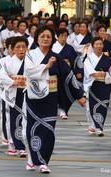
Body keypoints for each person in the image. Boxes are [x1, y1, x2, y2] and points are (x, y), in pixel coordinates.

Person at [24, 26, 86, 173]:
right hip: (34, 97)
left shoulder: (56, 57)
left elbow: (68, 76)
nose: (45, 39)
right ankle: (32, 159)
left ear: (52, 39)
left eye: (48, 37)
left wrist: (79, 95)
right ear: (37, 38)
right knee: (32, 127)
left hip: (51, 98)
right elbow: (29, 71)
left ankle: (44, 162)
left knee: (48, 129)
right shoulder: (30, 55)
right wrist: (46, 66)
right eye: (42, 36)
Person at [0, 36, 28, 157]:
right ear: (12, 49)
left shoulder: (30, 61)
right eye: (18, 47)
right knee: (11, 119)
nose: (21, 49)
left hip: (26, 93)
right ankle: (12, 144)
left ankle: (23, 145)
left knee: (24, 119)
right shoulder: (5, 61)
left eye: (24, 47)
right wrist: (13, 82)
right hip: (11, 92)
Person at [83, 37, 111, 136]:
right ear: (93, 46)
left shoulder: (108, 59)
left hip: (104, 85)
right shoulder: (89, 58)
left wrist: (104, 74)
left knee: (103, 106)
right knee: (92, 105)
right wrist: (100, 73)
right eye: (97, 44)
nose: (99, 46)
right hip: (93, 84)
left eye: (100, 44)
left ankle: (100, 127)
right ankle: (94, 125)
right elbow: (90, 72)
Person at [52, 28, 79, 119]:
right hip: (54, 73)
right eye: (61, 36)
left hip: (66, 73)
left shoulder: (70, 48)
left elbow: (75, 62)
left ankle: (63, 109)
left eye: (65, 36)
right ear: (57, 37)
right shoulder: (53, 47)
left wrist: (76, 71)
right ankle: (54, 108)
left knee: (64, 91)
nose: (63, 38)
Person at [0, 37, 15, 146]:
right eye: (12, 47)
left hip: (18, 91)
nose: (14, 49)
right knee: (5, 114)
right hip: (5, 90)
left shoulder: (24, 59)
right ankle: (5, 136)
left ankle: (16, 136)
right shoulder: (3, 60)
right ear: (8, 48)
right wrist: (11, 80)